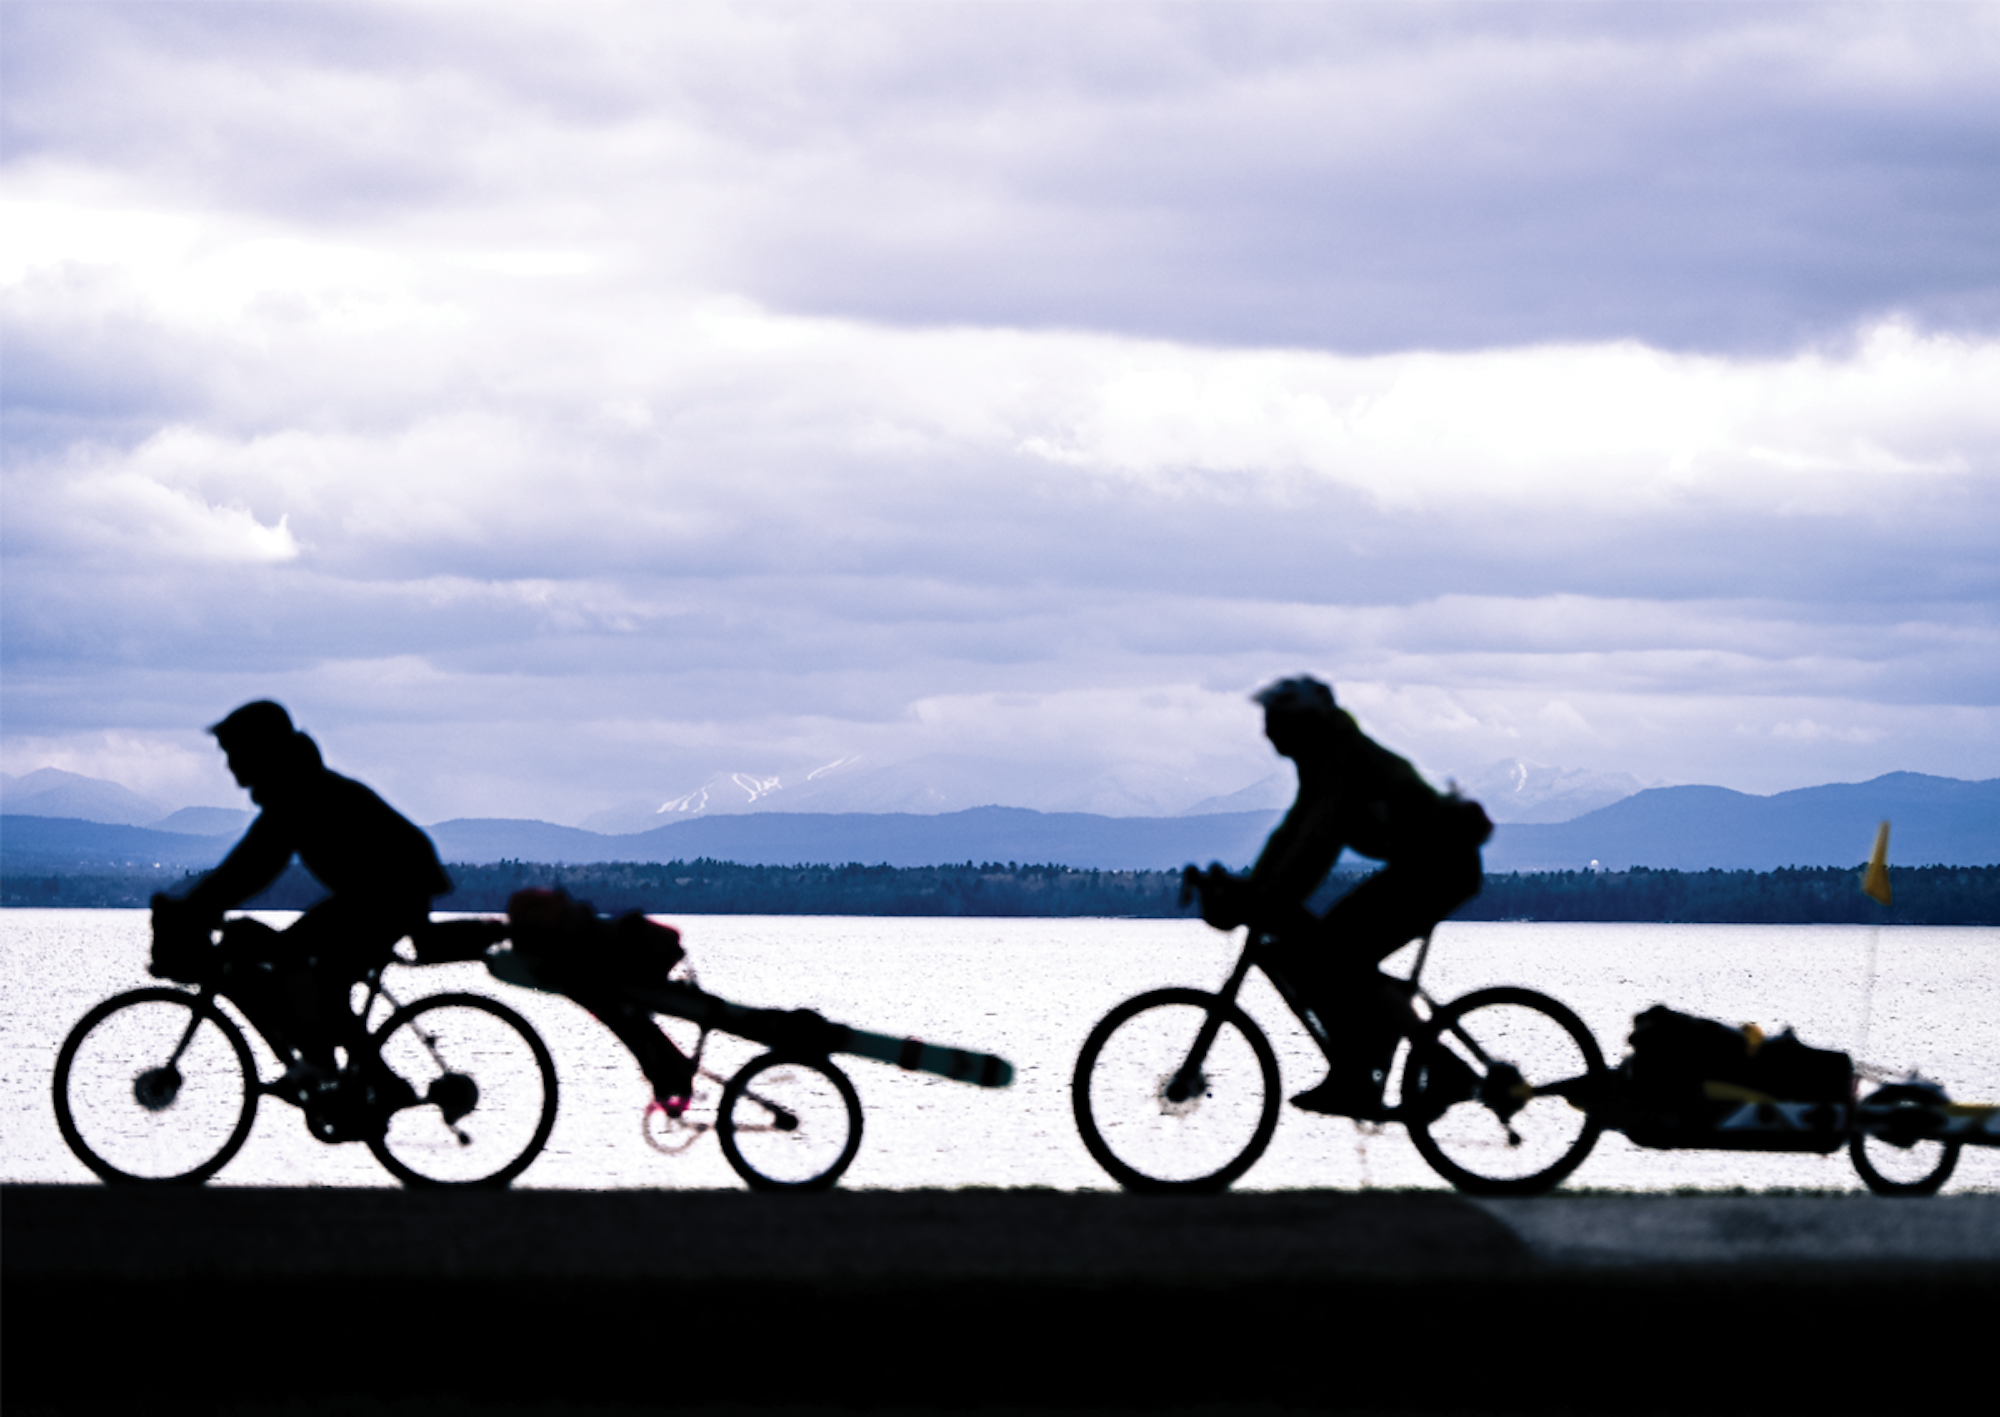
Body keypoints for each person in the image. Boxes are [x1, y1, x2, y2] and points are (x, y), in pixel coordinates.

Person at [1194, 677, 1491, 1119]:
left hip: (1440, 868)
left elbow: (1317, 841)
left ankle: (1421, 1071)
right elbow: (1292, 834)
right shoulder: (1324, 757)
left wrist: (1262, 898)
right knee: (1327, 955)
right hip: (1426, 866)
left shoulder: (1339, 759)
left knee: (1337, 958)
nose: (1268, 733)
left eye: (1275, 722)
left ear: (1302, 723)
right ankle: (1367, 1061)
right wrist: (1256, 888)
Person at [151, 701, 453, 1089]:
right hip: (382, 893)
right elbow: (250, 866)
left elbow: (253, 867)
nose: (229, 765)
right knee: (314, 973)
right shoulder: (296, 785)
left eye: (234, 753)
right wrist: (200, 905)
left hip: (392, 894)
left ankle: (324, 1066)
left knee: (295, 959)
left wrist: (194, 908)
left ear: (261, 749)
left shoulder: (297, 792)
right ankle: (359, 1073)